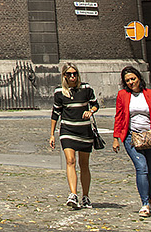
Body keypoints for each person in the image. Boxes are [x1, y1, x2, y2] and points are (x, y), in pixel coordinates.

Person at [111, 66, 151, 216]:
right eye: (127, 80)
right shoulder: (123, 95)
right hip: (131, 137)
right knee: (141, 167)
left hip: (150, 137)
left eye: (133, 79)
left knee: (150, 172)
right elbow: (119, 117)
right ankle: (144, 204)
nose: (131, 82)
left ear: (139, 78)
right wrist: (116, 138)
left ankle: (149, 200)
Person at [49, 62, 99, 209]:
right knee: (70, 161)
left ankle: (86, 196)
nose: (72, 77)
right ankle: (73, 194)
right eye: (69, 74)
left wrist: (91, 111)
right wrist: (52, 134)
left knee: (84, 164)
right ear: (64, 76)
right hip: (67, 130)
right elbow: (55, 113)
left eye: (74, 74)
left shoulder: (86, 88)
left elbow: (95, 104)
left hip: (84, 131)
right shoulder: (60, 92)